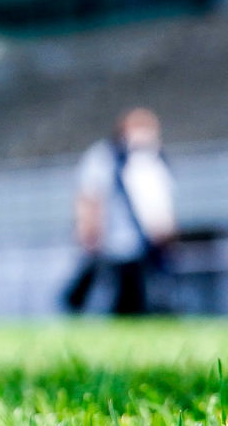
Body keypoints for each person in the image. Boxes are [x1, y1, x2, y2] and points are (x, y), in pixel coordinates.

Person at [65, 108, 176, 316]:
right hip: (113, 237)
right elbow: (89, 193)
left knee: (136, 292)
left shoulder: (153, 159)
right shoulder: (105, 156)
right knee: (101, 282)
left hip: (144, 241)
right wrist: (89, 227)